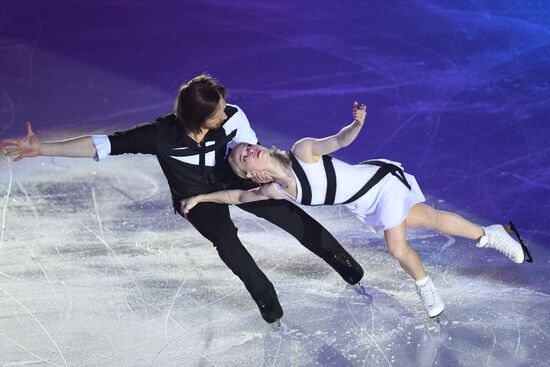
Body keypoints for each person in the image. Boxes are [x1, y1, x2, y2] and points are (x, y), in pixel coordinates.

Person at [0, 74, 365, 324]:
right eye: (218, 110)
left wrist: (257, 175)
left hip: (231, 178)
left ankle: (347, 266)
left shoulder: (233, 118)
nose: (227, 111)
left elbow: (248, 155)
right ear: (198, 119)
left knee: (285, 212)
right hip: (195, 197)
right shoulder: (161, 136)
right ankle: (269, 304)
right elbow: (104, 144)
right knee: (226, 240)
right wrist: (44, 147)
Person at [180, 101, 531, 318]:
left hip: (378, 184)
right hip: (368, 204)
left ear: (257, 145)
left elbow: (336, 141)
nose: (248, 151)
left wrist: (356, 125)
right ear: (251, 173)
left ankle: (425, 286)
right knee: (434, 219)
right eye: (243, 157)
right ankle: (491, 234)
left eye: (247, 147)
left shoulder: (302, 151)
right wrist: (199, 199)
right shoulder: (276, 189)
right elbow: (238, 198)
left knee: (396, 247)